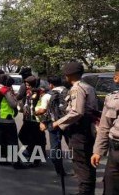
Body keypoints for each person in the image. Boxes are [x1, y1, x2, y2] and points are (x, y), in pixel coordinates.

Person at [49, 62, 98, 195]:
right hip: (87, 129)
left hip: (80, 131)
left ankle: (84, 192)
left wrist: (58, 123)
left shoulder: (77, 88)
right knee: (88, 165)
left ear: (69, 75)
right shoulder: (89, 87)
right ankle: (87, 191)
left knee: (81, 166)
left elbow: (77, 112)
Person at [91, 63, 119, 194]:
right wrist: (98, 151)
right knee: (110, 188)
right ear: (116, 78)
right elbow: (104, 127)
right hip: (115, 153)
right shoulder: (112, 98)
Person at [0, 74, 23, 168]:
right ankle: (16, 162)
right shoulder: (5, 90)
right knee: (12, 141)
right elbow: (13, 104)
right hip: (6, 119)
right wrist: (16, 98)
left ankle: (1, 159)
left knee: (0, 140)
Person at [39, 76, 70, 177]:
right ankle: (80, 168)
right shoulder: (69, 92)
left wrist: (40, 118)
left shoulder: (47, 96)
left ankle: (60, 171)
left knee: (55, 148)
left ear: (51, 84)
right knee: (73, 146)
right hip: (68, 123)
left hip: (54, 124)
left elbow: (43, 111)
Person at [18, 75, 47, 166]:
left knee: (36, 140)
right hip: (28, 119)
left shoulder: (40, 92)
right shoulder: (28, 92)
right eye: (26, 85)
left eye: (28, 85)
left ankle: (35, 160)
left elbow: (43, 106)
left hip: (36, 120)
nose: (26, 86)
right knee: (22, 135)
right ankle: (32, 151)